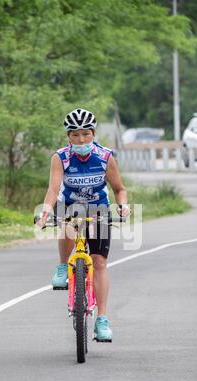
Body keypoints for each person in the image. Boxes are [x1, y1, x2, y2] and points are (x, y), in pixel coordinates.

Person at [36, 108, 130, 341]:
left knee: (99, 262)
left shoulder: (105, 156)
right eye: (75, 135)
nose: (81, 140)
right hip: (69, 206)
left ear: (93, 133)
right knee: (67, 223)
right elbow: (53, 189)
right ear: (68, 136)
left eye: (86, 134)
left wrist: (123, 205)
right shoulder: (60, 158)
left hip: (98, 208)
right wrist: (46, 211)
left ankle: (102, 320)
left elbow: (120, 189)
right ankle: (62, 266)